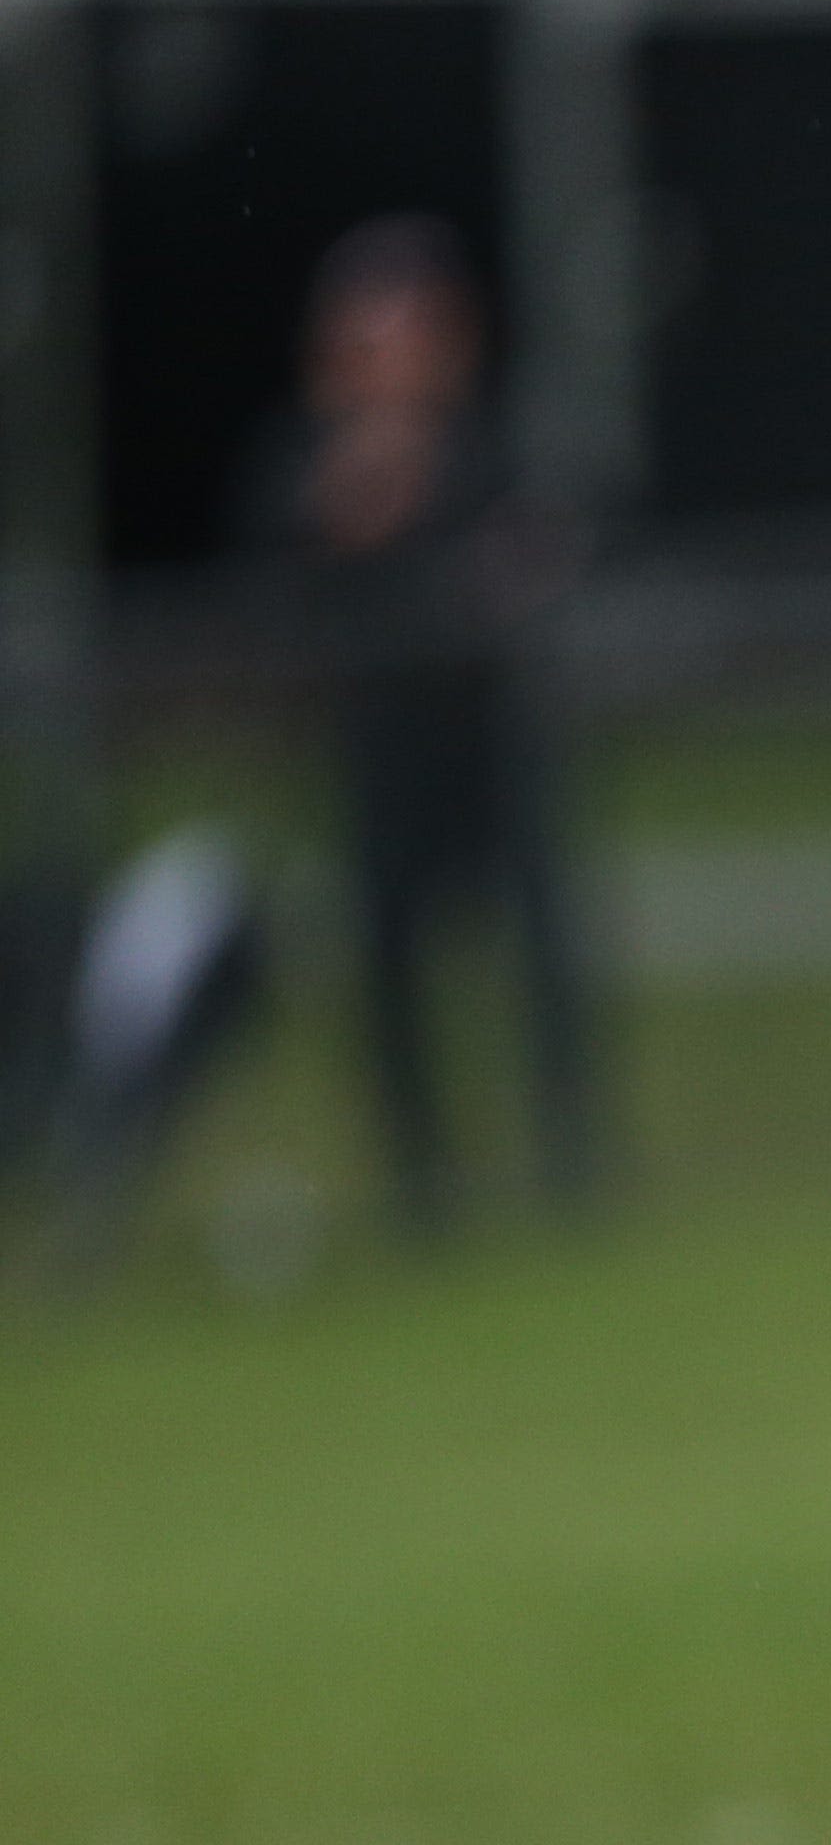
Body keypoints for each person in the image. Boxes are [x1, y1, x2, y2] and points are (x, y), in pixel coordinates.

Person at [249, 218, 597, 1238]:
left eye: (416, 334)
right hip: (382, 751)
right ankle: (421, 1182)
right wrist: (359, 486)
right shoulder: (304, 462)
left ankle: (571, 1157)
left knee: (542, 943)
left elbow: (546, 553)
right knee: (389, 964)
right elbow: (282, 582)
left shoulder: (494, 445)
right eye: (373, 339)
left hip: (491, 739)